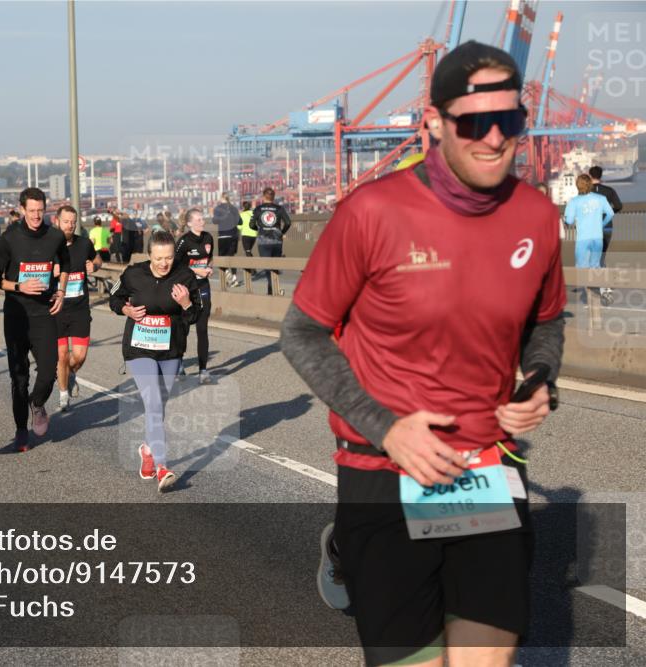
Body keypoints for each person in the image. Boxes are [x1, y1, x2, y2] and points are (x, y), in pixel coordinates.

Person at [280, 41, 565, 667]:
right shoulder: (371, 212)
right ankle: (346, 546)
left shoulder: (539, 218)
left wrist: (540, 378)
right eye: (474, 122)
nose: (496, 139)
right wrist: (388, 429)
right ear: (433, 124)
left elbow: (545, 324)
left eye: (510, 121)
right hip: (383, 477)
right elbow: (301, 333)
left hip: (486, 470)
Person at [109, 230, 201, 492]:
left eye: (169, 258)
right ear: (149, 255)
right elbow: (113, 297)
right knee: (153, 402)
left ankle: (147, 451)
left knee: (159, 405)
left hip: (171, 349)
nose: (164, 263)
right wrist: (126, 309)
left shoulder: (185, 276)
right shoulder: (133, 274)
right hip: (139, 349)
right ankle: (162, 466)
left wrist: (185, 304)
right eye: (159, 258)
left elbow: (197, 314)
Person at [0, 187, 69, 452]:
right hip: (16, 315)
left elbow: (66, 264)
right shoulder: (10, 237)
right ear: (22, 209)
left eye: (40, 210)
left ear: (45, 209)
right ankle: (21, 431)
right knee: (19, 377)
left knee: (49, 369)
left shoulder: (55, 236)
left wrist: (61, 291)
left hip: (44, 313)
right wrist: (19, 286)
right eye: (31, 211)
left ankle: (37, 403)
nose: (36, 216)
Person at [53, 205, 101, 411]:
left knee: (79, 356)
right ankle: (63, 395)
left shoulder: (84, 243)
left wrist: (95, 265)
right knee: (62, 355)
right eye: (66, 221)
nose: (70, 225)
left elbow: (98, 258)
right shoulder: (49, 246)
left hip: (80, 308)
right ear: (57, 222)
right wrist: (50, 271)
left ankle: (69, 374)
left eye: (73, 222)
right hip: (57, 309)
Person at [174, 208, 215, 383]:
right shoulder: (184, 241)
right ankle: (179, 364)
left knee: (202, 329)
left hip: (203, 287)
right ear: (189, 223)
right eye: (198, 220)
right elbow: (174, 265)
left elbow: (208, 259)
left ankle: (203, 370)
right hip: (186, 289)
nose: (202, 222)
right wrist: (194, 270)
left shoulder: (208, 238)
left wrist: (208, 269)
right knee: (183, 328)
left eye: (202, 218)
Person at [564, 173, 614, 306]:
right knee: (596, 266)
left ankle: (589, 299)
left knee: (582, 269)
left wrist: (566, 220)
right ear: (590, 184)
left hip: (583, 239)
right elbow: (610, 213)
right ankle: (604, 291)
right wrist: (602, 224)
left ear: (577, 185)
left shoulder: (574, 201)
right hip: (597, 237)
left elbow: (568, 220)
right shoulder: (601, 198)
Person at [588, 165, 623, 305]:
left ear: (590, 176)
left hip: (591, 229)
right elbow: (619, 206)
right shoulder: (609, 191)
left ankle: (604, 289)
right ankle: (604, 287)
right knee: (601, 257)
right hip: (607, 228)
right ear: (601, 176)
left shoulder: (586, 192)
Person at [250, 187, 291, 295]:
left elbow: (251, 225)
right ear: (274, 197)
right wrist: (281, 232)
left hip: (263, 241)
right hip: (277, 240)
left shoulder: (258, 209)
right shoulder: (279, 208)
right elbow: (288, 222)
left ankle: (271, 289)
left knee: (268, 267)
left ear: (264, 197)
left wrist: (259, 230)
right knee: (276, 265)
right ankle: (273, 288)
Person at [213, 193, 241, 287]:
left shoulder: (218, 208)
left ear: (221, 198)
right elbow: (240, 221)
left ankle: (227, 274)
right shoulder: (233, 208)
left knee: (221, 259)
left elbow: (215, 221)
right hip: (233, 235)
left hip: (223, 236)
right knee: (231, 257)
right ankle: (234, 278)